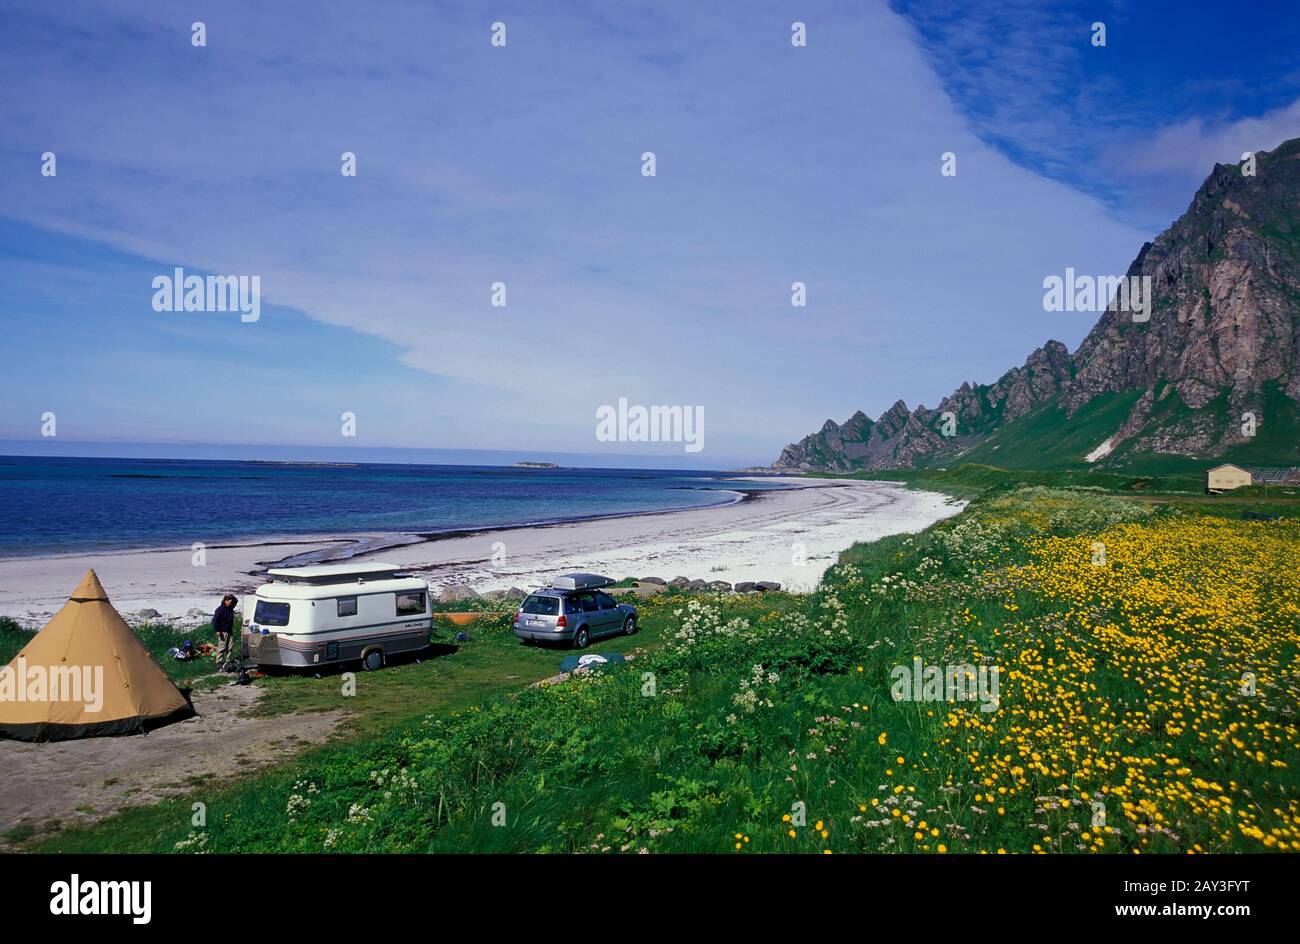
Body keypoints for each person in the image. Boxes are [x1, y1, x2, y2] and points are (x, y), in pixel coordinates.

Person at [212, 594, 239, 671]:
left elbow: (236, 600)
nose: (231, 603)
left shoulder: (230, 607)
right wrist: (217, 630)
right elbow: (214, 621)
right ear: (225, 601)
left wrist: (230, 595)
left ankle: (228, 660)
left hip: (229, 630)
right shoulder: (219, 610)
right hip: (222, 631)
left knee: (230, 646)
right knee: (222, 647)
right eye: (230, 602)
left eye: (231, 602)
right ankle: (219, 662)